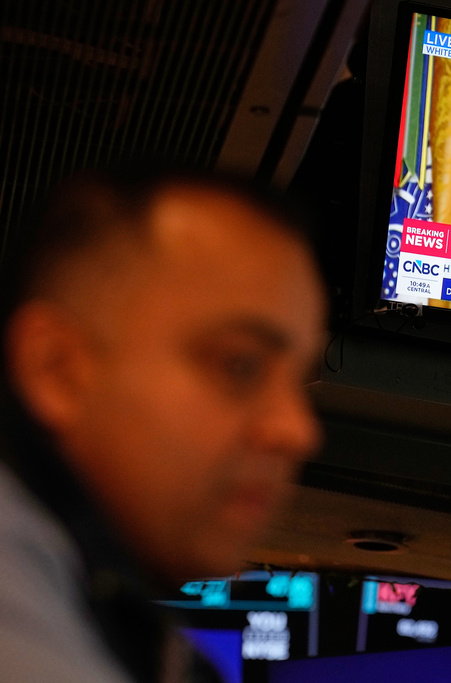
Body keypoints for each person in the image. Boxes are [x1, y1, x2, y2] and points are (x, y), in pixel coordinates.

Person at [0, 168, 326, 682]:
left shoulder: (117, 617)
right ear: (55, 368)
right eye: (241, 366)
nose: (298, 430)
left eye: (299, 380)